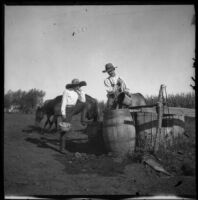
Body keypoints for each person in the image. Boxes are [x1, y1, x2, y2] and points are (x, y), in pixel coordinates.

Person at [59, 78, 87, 153]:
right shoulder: (66, 91)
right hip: (67, 110)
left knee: (84, 104)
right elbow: (63, 103)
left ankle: (83, 120)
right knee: (65, 129)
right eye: (76, 85)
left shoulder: (77, 92)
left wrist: (81, 92)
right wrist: (63, 114)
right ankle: (62, 149)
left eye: (78, 85)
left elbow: (83, 100)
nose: (77, 87)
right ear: (73, 85)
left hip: (74, 109)